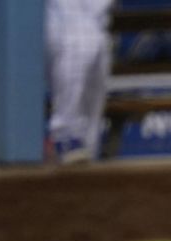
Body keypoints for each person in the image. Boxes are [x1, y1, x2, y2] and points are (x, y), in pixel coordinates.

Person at [45, 0, 114, 163]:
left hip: (95, 24)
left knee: (93, 111)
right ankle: (65, 137)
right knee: (79, 47)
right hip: (62, 24)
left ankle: (86, 148)